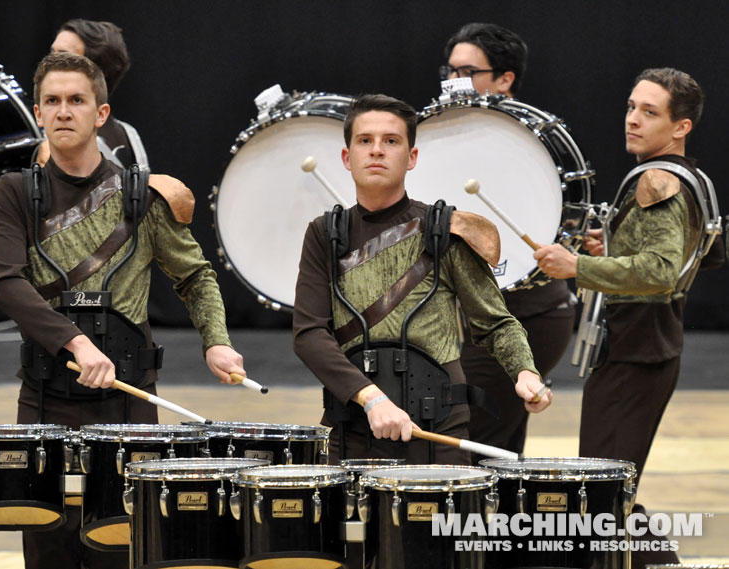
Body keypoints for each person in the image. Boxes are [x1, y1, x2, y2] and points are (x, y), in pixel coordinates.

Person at [0, 51, 244, 569]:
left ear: (100, 115)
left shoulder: (142, 196)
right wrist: (76, 342)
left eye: (76, 100)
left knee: (123, 545)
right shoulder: (16, 192)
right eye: (52, 101)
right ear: (37, 112)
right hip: (44, 397)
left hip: (129, 401)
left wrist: (216, 339)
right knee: (47, 548)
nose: (63, 111)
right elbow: (7, 284)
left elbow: (195, 275)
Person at [292, 94, 551, 466]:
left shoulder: (445, 230)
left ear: (411, 157)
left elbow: (494, 323)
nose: (377, 151)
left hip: (438, 429)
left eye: (391, 141)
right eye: (365, 141)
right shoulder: (324, 234)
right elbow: (309, 334)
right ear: (347, 158)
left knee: (432, 527)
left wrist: (524, 370)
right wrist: (372, 398)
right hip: (351, 428)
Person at [534, 68, 721, 567]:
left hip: (636, 350)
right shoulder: (692, 177)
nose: (632, 120)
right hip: (651, 348)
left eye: (649, 112)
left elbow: (661, 271)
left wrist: (578, 265)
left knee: (601, 493)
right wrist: (614, 247)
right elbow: (704, 251)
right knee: (610, 488)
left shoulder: (657, 180)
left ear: (680, 127)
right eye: (631, 107)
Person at [441, 22, 576, 460]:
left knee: (472, 437)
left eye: (467, 71)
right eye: (449, 70)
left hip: (527, 314)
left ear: (504, 79)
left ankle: (475, 527)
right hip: (474, 318)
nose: (453, 81)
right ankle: (496, 527)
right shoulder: (450, 135)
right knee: (494, 446)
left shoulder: (528, 146)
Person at [0, 19, 145, 256]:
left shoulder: (63, 151)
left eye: (62, 57)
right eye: (52, 54)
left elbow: (24, 248)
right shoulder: (129, 134)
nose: (47, 64)